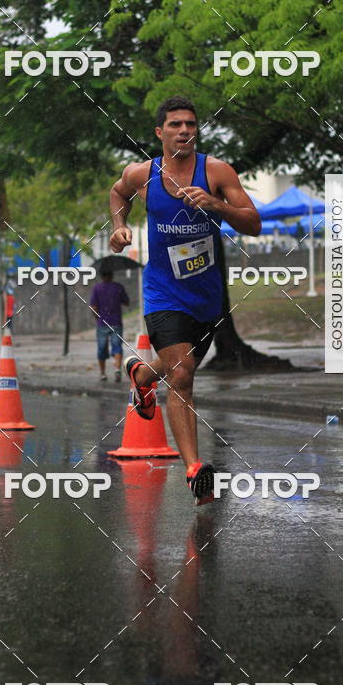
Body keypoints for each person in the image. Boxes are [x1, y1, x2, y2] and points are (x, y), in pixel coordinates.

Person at [109, 96, 261, 504]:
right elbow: (117, 193)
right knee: (181, 375)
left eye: (191, 125)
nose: (184, 131)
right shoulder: (143, 175)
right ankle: (195, 469)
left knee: (178, 368)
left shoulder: (215, 171)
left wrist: (217, 204)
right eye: (175, 124)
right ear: (160, 132)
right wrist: (120, 227)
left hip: (206, 297)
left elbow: (255, 223)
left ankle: (142, 377)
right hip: (162, 291)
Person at [89, 268, 130, 381]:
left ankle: (102, 373)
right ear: (112, 275)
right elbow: (126, 302)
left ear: (101, 276)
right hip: (116, 322)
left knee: (101, 349)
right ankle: (117, 370)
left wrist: (97, 318)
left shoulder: (97, 288)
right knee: (117, 347)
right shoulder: (118, 287)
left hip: (102, 323)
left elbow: (93, 307)